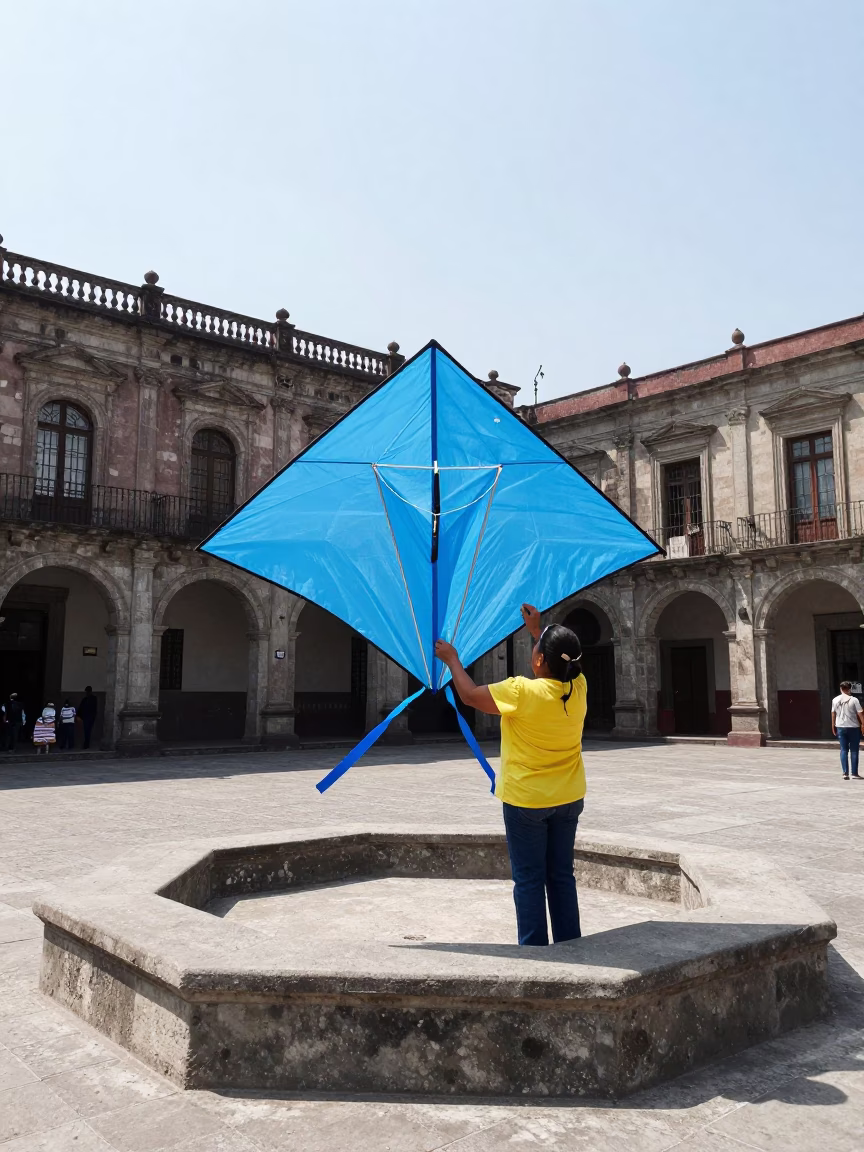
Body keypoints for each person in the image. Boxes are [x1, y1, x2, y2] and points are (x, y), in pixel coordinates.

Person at [436, 603, 587, 946]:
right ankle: (571, 948)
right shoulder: (578, 688)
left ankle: (533, 952)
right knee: (561, 876)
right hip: (569, 798)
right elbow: (563, 664)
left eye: (537, 648)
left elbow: (470, 696)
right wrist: (537, 632)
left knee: (529, 879)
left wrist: (452, 660)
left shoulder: (521, 692)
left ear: (539, 660)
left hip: (527, 802)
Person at [831, 680, 864, 780]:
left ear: (841, 688)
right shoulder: (854, 700)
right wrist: (863, 724)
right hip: (853, 727)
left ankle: (845, 773)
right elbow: (860, 713)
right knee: (854, 750)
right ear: (850, 689)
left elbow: (833, 713)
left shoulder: (835, 700)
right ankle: (854, 773)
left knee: (843, 749)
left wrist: (833, 725)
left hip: (840, 727)